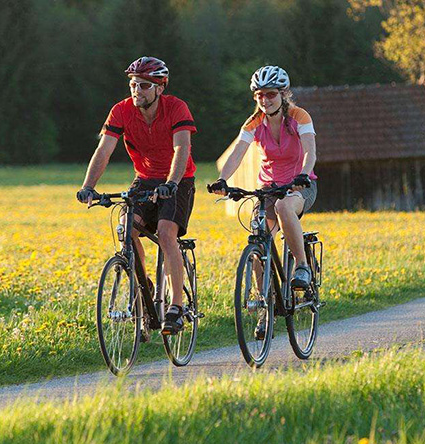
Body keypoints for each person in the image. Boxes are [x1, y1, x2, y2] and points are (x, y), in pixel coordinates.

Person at [76, 56, 197, 336]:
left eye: (144, 85)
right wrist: (88, 186)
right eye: (133, 84)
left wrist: (171, 183)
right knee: (125, 229)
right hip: (143, 180)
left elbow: (182, 149)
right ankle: (145, 286)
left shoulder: (176, 108)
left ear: (159, 88)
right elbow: (104, 150)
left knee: (167, 234)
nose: (136, 91)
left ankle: (176, 307)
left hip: (178, 180)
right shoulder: (121, 111)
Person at [209, 65, 317, 337]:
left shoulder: (299, 117)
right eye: (259, 95)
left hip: (299, 185)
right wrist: (223, 180)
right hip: (267, 187)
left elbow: (310, 153)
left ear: (282, 94)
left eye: (270, 94)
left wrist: (303, 174)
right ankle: (264, 309)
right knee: (259, 242)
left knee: (283, 207)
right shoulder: (254, 123)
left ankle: (302, 267)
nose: (265, 100)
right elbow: (237, 153)